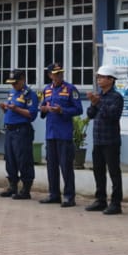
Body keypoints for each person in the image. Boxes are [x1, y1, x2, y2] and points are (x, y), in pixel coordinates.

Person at [39, 63, 83, 207]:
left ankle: (69, 197)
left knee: (66, 166)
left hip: (64, 134)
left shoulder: (70, 89)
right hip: (50, 133)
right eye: (55, 73)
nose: (59, 76)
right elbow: (43, 111)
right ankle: (54, 194)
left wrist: (62, 110)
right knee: (51, 166)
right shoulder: (46, 90)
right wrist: (44, 109)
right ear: (50, 75)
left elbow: (78, 109)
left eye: (60, 73)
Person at [85, 65, 124, 214]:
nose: (99, 80)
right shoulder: (98, 95)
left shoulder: (116, 97)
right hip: (98, 140)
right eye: (98, 77)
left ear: (110, 80)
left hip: (111, 141)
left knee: (114, 172)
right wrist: (94, 103)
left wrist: (98, 102)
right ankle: (100, 200)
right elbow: (90, 114)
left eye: (102, 77)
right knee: (98, 171)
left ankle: (116, 203)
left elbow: (112, 115)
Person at [0, 69, 38, 200]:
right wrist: (5, 108)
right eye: (11, 83)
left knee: (23, 159)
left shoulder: (30, 94)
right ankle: (12, 186)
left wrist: (16, 109)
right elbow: (10, 112)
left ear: (22, 80)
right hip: (9, 130)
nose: (13, 85)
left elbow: (32, 115)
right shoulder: (12, 92)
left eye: (15, 82)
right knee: (10, 159)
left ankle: (26, 189)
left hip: (22, 130)